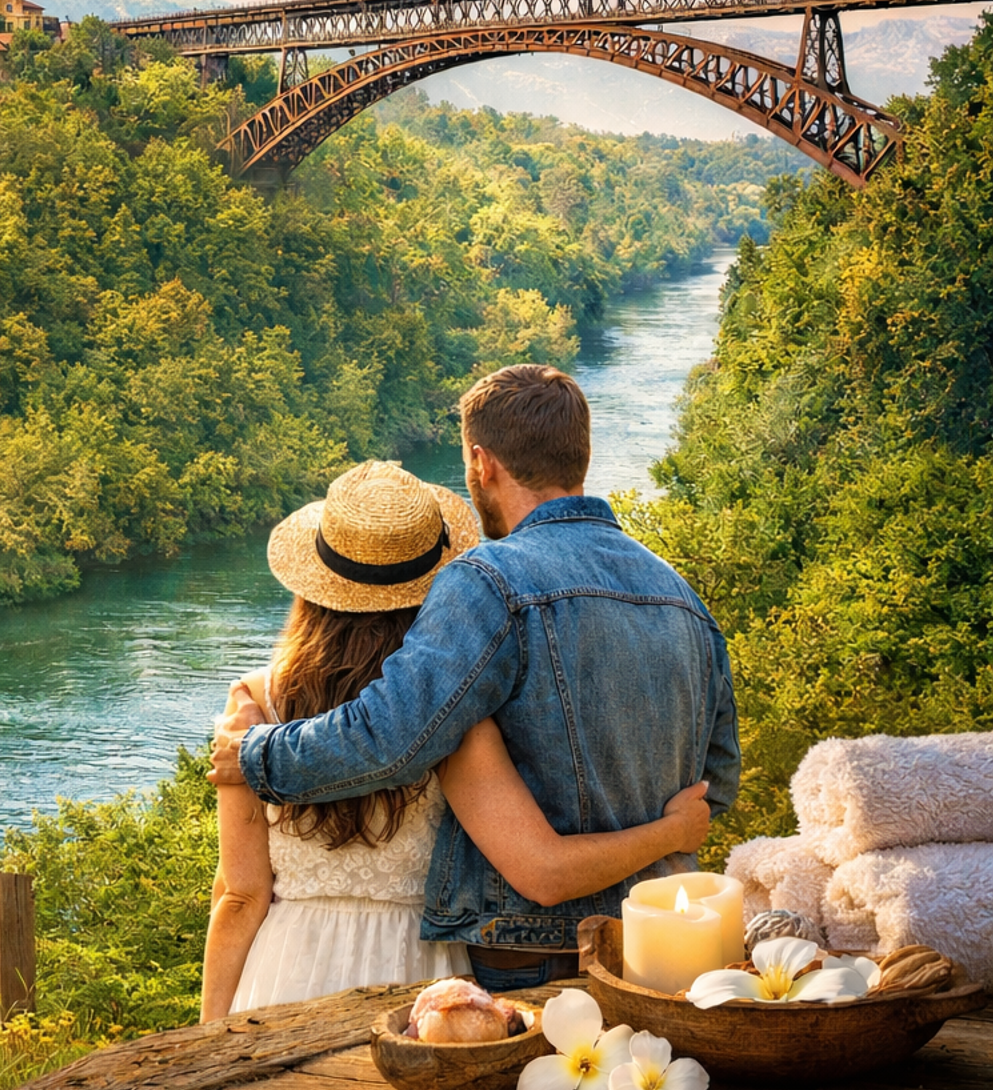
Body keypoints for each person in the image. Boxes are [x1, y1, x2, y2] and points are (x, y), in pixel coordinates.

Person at [210, 365, 740, 995]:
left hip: (531, 947)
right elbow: (716, 780)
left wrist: (257, 754)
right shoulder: (681, 596)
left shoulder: (491, 581)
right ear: (581, 454)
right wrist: (666, 830)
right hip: (656, 940)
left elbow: (394, 736)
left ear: (482, 463)